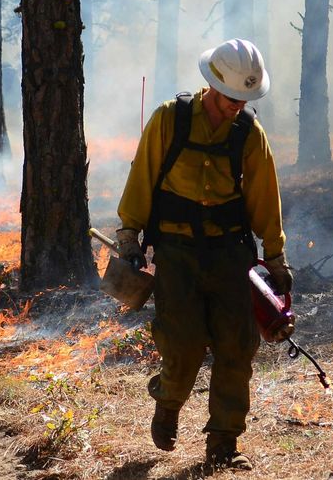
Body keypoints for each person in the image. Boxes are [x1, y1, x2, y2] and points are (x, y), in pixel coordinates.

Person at [115, 38, 293, 472]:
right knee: (184, 343)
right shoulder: (169, 120)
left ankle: (224, 443)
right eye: (233, 97)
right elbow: (142, 177)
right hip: (177, 254)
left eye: (245, 98)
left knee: (237, 346)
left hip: (231, 255)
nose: (238, 105)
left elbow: (265, 199)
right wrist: (128, 234)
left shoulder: (249, 134)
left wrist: (276, 258)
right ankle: (169, 399)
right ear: (213, 85)